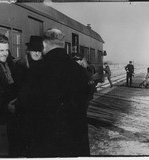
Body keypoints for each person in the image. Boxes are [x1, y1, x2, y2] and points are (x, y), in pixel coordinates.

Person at [17, 28, 90, 157]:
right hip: (75, 144)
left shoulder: (37, 70)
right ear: (62, 45)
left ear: (44, 45)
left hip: (46, 144)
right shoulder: (80, 71)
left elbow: (25, 104)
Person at [10, 35, 44, 157]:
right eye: (34, 50)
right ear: (28, 51)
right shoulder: (20, 66)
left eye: (39, 50)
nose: (37, 53)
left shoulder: (45, 67)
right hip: (23, 110)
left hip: (39, 112)